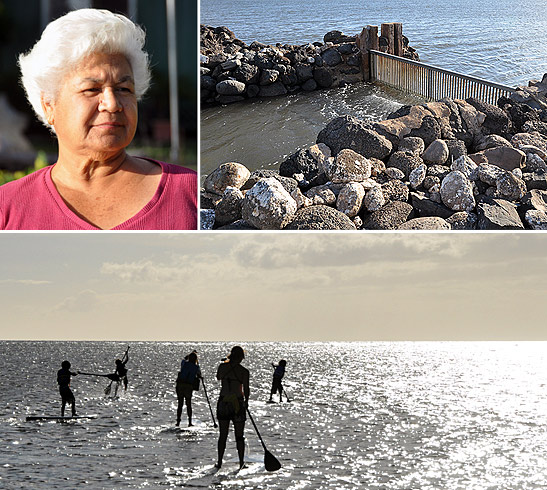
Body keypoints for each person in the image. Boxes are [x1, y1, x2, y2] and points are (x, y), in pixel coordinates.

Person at [1, 8, 196, 230]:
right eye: (92, 89)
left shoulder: (190, 192)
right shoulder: (7, 208)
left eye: (124, 88)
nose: (112, 104)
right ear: (49, 105)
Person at [215, 346, 250, 469]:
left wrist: (226, 363)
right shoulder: (244, 371)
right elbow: (246, 389)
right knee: (239, 436)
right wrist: (247, 402)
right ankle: (241, 463)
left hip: (223, 402)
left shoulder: (222, 367)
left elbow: (218, 377)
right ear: (240, 357)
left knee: (223, 435)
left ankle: (219, 462)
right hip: (238, 404)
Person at [176, 351, 201, 427]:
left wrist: (190, 354)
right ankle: (190, 422)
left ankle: (178, 422)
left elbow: (184, 359)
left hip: (180, 385)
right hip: (188, 386)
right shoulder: (196, 367)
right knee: (188, 404)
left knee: (180, 404)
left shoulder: (184, 363)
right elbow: (199, 375)